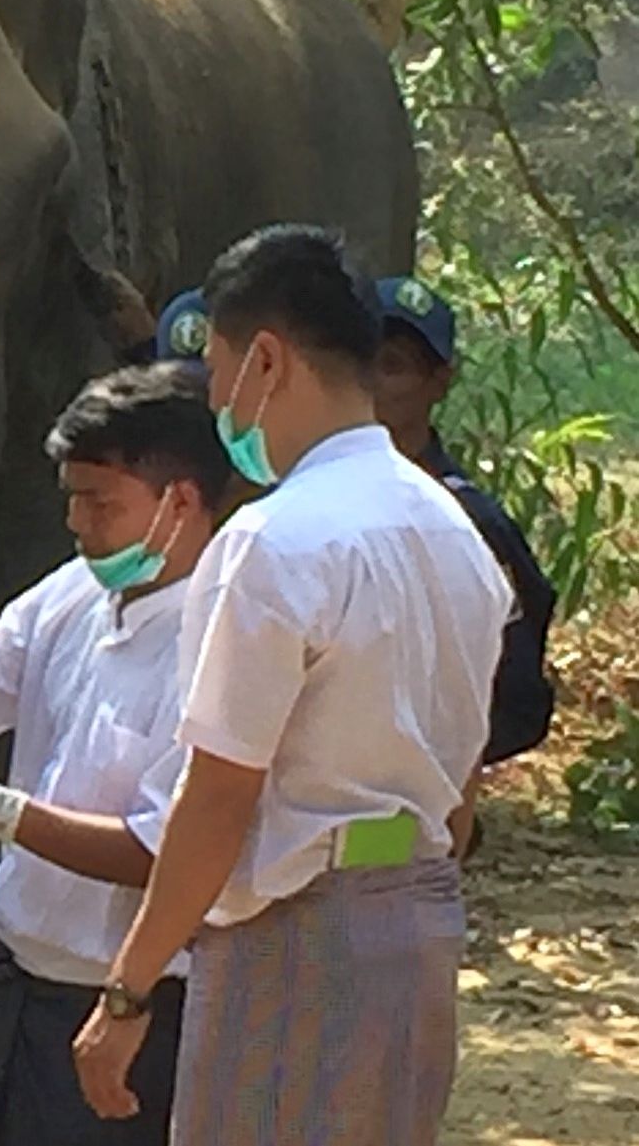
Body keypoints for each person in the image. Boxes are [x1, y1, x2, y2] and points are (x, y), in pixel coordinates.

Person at [72, 226, 514, 1144]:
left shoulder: (272, 543)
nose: (221, 402)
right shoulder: (454, 529)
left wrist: (128, 988)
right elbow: (465, 787)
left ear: (265, 360)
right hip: (421, 921)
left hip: (295, 934)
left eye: (224, 368)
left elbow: (219, 792)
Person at [0, 363, 232, 1146]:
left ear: (181, 502)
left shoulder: (218, 639)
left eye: (102, 501)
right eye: (72, 497)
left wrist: (0, 811)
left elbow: (163, 848)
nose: (78, 520)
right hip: (28, 990)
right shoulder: (72, 593)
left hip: (140, 1006)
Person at [373, 275, 556, 768]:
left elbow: (518, 695)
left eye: (393, 366)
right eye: (361, 360)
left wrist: (441, 766)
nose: (371, 382)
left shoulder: (468, 521)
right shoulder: (293, 499)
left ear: (439, 382)